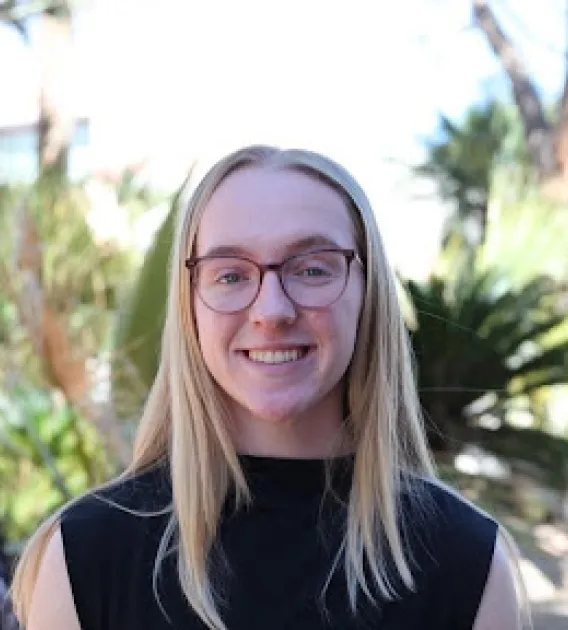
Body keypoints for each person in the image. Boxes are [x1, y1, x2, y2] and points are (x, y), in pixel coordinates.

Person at [11, 145, 526, 630]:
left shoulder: (470, 563)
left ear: (369, 295)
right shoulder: (84, 556)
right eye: (231, 275)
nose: (272, 311)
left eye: (313, 268)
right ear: (189, 306)